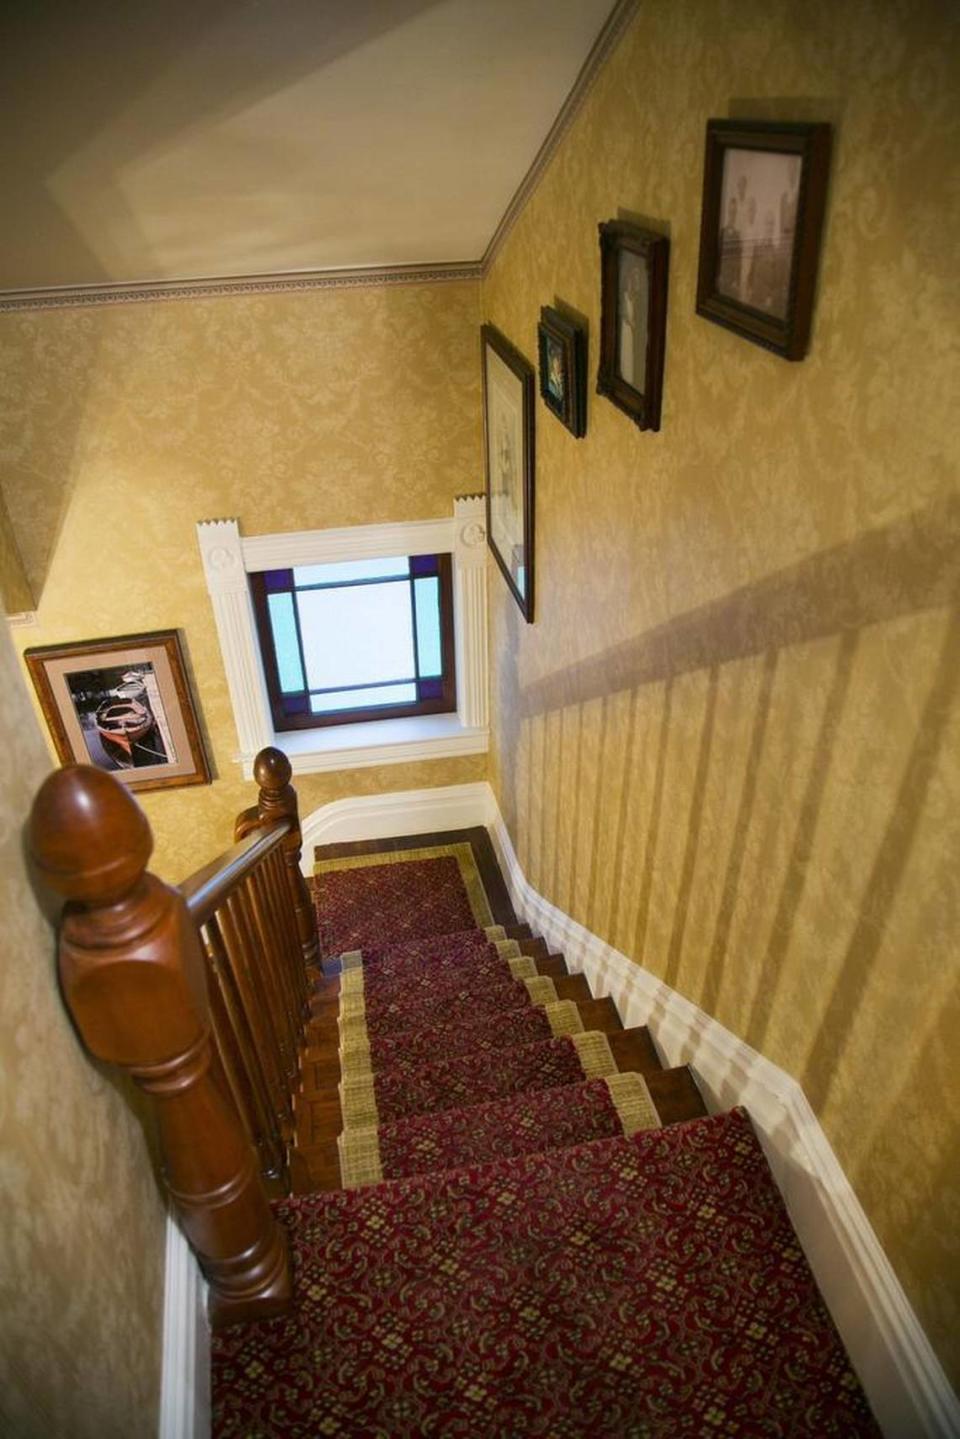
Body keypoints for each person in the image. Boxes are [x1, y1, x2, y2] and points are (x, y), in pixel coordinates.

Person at [717, 195, 742, 299]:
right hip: (722, 277)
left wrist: (736, 279)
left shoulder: (737, 235)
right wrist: (718, 275)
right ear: (728, 212)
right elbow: (717, 256)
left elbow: (738, 259)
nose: (732, 215)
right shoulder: (722, 233)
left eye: (734, 212)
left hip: (732, 279)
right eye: (731, 212)